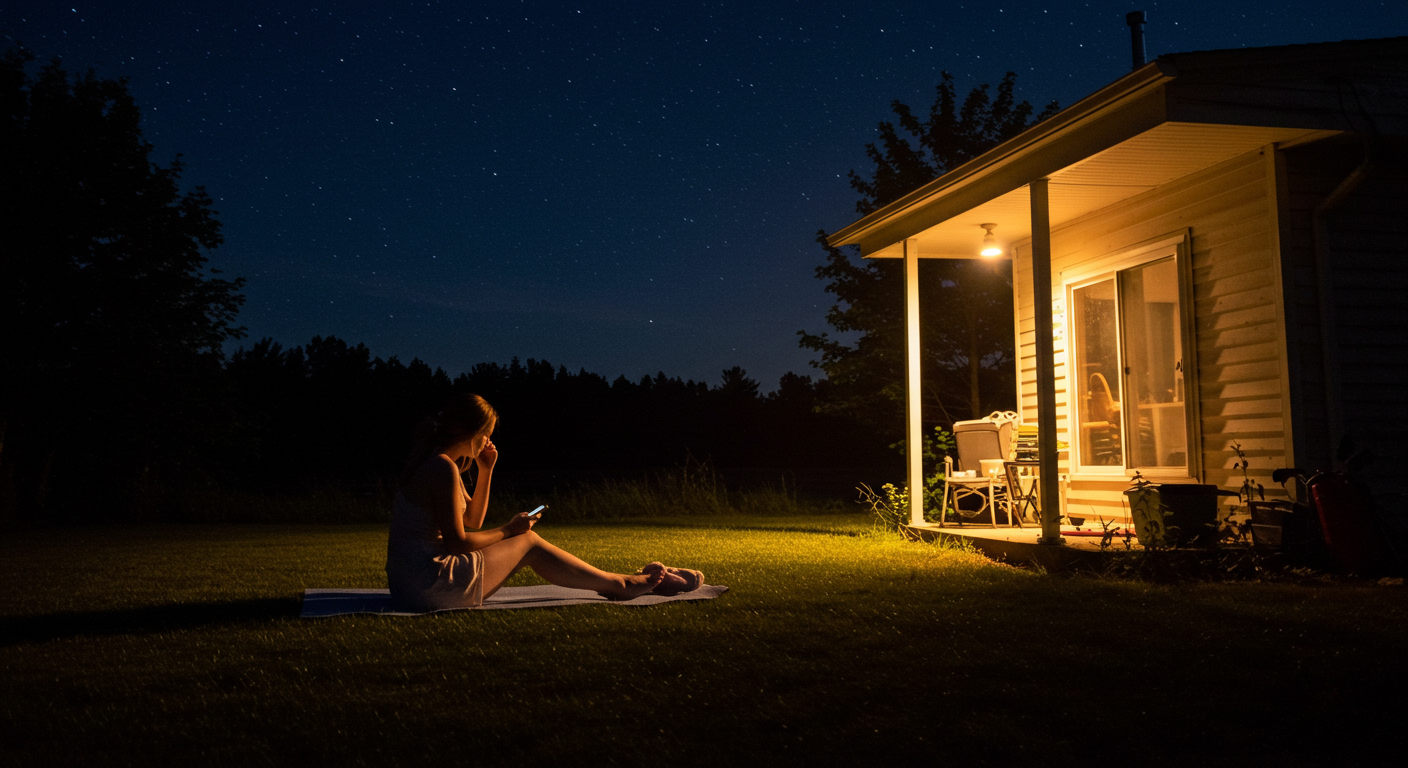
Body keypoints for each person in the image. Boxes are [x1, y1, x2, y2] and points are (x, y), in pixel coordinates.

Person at [385, 394, 703, 610]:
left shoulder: (434, 462)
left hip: (408, 585)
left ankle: (618, 582)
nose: (487, 441)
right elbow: (458, 543)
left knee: (524, 539)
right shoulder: (441, 467)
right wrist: (511, 530)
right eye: (486, 434)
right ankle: (620, 585)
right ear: (473, 432)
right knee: (529, 542)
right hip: (428, 586)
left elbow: (473, 522)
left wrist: (486, 470)